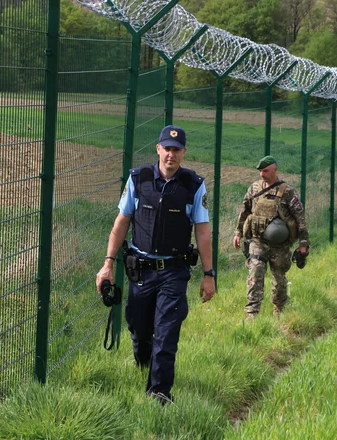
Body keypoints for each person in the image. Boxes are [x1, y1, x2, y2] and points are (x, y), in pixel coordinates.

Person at [96, 125, 216, 405]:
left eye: (176, 150)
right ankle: (143, 364)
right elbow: (121, 223)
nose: (171, 154)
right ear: (158, 149)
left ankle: (160, 392)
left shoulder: (194, 185)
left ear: (183, 152)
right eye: (167, 148)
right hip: (141, 270)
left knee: (166, 332)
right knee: (139, 329)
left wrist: (209, 274)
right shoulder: (138, 179)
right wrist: (108, 265)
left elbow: (202, 231)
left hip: (174, 272)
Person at [232, 155, 309, 319]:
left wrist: (303, 243)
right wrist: (238, 233)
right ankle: (252, 314)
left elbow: (299, 217)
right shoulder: (254, 188)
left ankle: (280, 308)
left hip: (280, 246)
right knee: (255, 273)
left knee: (279, 279)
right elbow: (244, 211)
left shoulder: (287, 192)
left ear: (275, 169)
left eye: (265, 170)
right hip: (257, 241)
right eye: (260, 171)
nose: (262, 174)